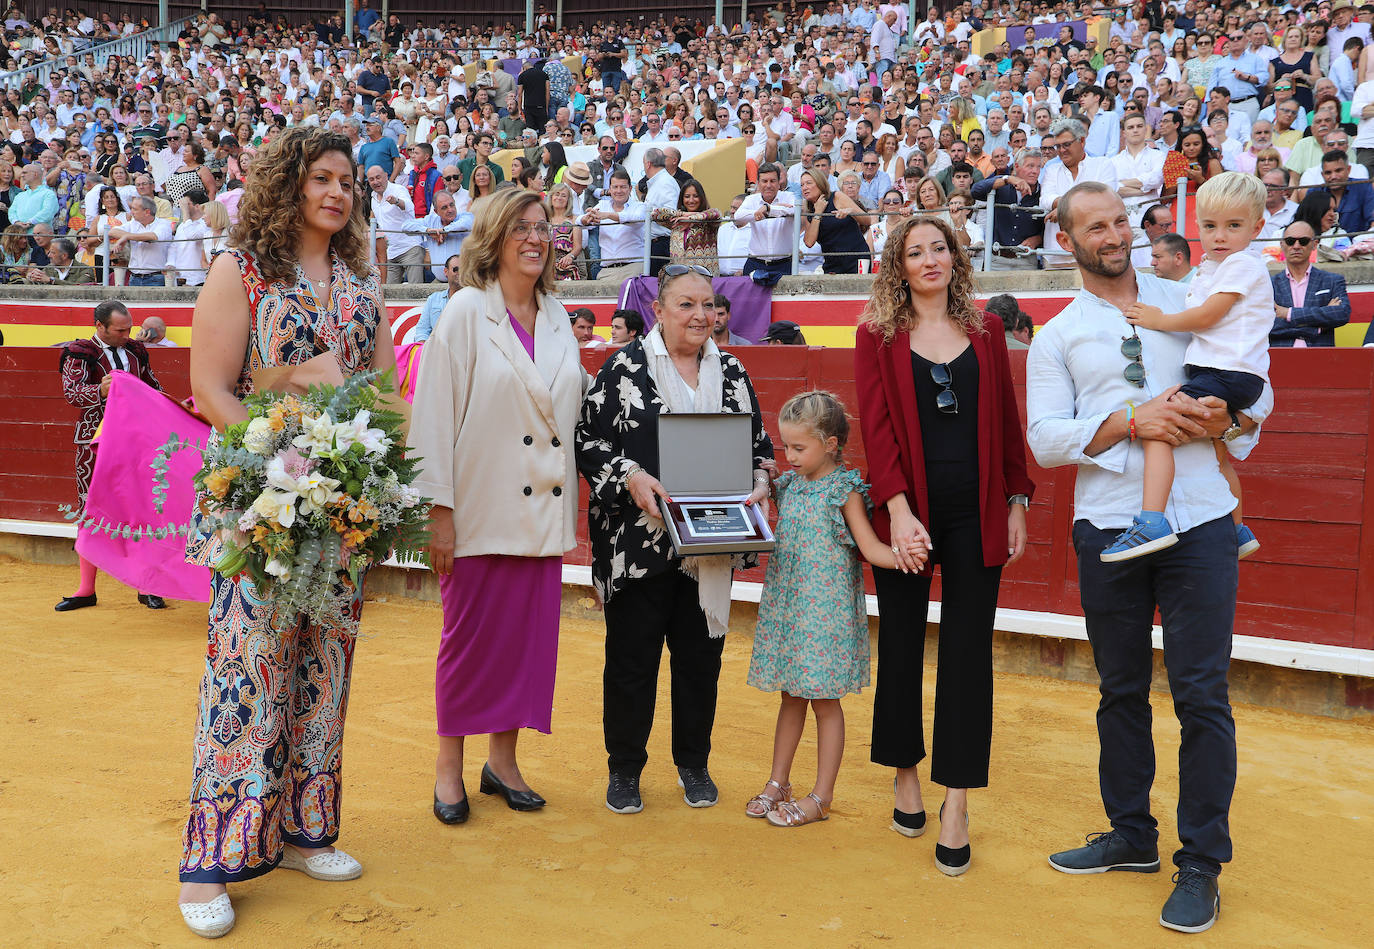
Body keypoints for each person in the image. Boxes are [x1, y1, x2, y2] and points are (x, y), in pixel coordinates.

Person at [1027, 181, 1271, 935]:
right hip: (1108, 524)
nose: (1111, 234)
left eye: (1118, 221)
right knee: (1120, 687)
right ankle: (1132, 834)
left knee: (1202, 694)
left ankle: (1201, 860)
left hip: (1199, 520)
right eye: (1093, 226)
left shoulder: (1191, 293)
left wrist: (1233, 420)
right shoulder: (1056, 334)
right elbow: (1045, 439)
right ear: (1066, 239)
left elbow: (1255, 400)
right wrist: (1129, 420)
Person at [177, 127, 397, 940]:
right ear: (289, 184)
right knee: (245, 674)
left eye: (349, 182)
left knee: (324, 671)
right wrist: (279, 470)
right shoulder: (241, 270)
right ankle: (210, 857)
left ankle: (307, 830)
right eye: (323, 178)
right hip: (256, 507)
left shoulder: (361, 287)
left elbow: (383, 400)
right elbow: (210, 387)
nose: (338, 191)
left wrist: (357, 480)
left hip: (338, 515)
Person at [853, 215, 1034, 876]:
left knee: (967, 653)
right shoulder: (875, 334)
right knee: (900, 640)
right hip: (909, 509)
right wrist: (897, 511)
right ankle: (906, 771)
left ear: (957, 258)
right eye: (915, 251)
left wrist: (1017, 498)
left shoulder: (986, 331)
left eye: (940, 248)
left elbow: (1009, 421)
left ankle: (956, 800)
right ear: (897, 265)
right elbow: (875, 429)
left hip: (977, 509)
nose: (930, 259)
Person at [411, 187, 586, 827]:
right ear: (493, 237)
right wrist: (439, 510)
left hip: (541, 511)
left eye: (544, 228)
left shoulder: (560, 315)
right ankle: (449, 767)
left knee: (526, 646)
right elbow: (431, 415)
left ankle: (503, 763)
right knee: (469, 644)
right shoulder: (463, 312)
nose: (536, 239)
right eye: (522, 228)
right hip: (480, 507)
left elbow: (574, 405)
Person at [575, 264, 774, 815]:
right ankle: (625, 769)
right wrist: (630, 477)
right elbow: (588, 443)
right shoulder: (624, 368)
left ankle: (693, 762)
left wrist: (761, 478)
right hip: (638, 544)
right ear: (658, 311)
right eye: (685, 304)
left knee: (699, 663)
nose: (699, 315)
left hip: (709, 547)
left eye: (707, 305)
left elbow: (759, 444)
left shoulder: (733, 371)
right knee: (631, 662)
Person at [746, 390, 917, 827]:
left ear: (831, 443)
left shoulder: (844, 489)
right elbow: (765, 488)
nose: (791, 456)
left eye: (799, 448)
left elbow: (870, 547)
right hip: (790, 607)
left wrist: (905, 556)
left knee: (824, 701)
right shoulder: (787, 485)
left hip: (826, 612)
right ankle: (778, 782)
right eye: (787, 447)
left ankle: (821, 796)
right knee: (790, 694)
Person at [1104, 173, 1271, 562]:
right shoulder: (1217, 267)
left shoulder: (1242, 264)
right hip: (1226, 372)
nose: (1220, 236)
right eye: (1210, 226)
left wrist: (1157, 320)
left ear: (1257, 228)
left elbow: (1209, 315)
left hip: (1227, 373)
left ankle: (1152, 522)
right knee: (1217, 452)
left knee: (1158, 428)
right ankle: (1237, 529)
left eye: (1233, 226)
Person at [56, 300, 164, 613]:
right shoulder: (80, 352)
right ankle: (86, 589)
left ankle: (148, 586)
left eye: (128, 328)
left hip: (135, 438)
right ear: (100, 326)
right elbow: (72, 394)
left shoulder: (136, 351)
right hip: (95, 440)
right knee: (90, 509)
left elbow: (151, 387)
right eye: (120, 330)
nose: (127, 334)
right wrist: (100, 392)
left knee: (144, 509)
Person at [1269, 220, 1351, 347]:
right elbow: (1265, 325)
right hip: (1280, 358)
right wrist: (1318, 326)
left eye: (1303, 241)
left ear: (1314, 244)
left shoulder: (1332, 281)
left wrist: (1288, 314)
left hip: (1321, 359)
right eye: (1290, 241)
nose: (1296, 246)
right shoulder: (1269, 284)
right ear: (1282, 244)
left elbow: (1341, 314)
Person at [800, 168, 872, 274]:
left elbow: (867, 220)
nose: (804, 188)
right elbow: (809, 242)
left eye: (809, 183)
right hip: (832, 263)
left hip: (856, 258)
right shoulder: (809, 209)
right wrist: (818, 213)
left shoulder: (836, 197)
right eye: (802, 185)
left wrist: (851, 211)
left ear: (820, 183)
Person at [734, 163, 797, 278]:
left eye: (773, 181)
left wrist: (768, 209)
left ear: (779, 183)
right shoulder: (750, 199)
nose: (768, 185)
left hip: (784, 264)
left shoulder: (789, 196)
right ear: (758, 183)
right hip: (755, 263)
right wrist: (757, 213)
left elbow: (795, 211)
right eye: (764, 181)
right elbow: (738, 216)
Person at [651, 178, 721, 271]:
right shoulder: (677, 221)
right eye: (687, 196)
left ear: (701, 197)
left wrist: (691, 218)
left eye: (695, 196)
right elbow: (656, 214)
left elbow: (717, 213)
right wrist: (683, 214)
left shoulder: (707, 221)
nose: (691, 200)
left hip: (704, 276)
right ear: (682, 198)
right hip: (680, 275)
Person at [109, 196, 174, 286]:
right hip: (134, 277)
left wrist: (127, 236)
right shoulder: (133, 224)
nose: (131, 212)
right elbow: (112, 231)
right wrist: (128, 236)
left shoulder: (163, 224)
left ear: (147, 212)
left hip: (156, 277)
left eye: (135, 209)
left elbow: (153, 237)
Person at [414, 253, 463, 342]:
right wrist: (423, 349)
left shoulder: (474, 299)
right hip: (436, 351)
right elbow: (422, 330)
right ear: (445, 272)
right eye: (456, 269)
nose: (460, 273)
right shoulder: (433, 299)